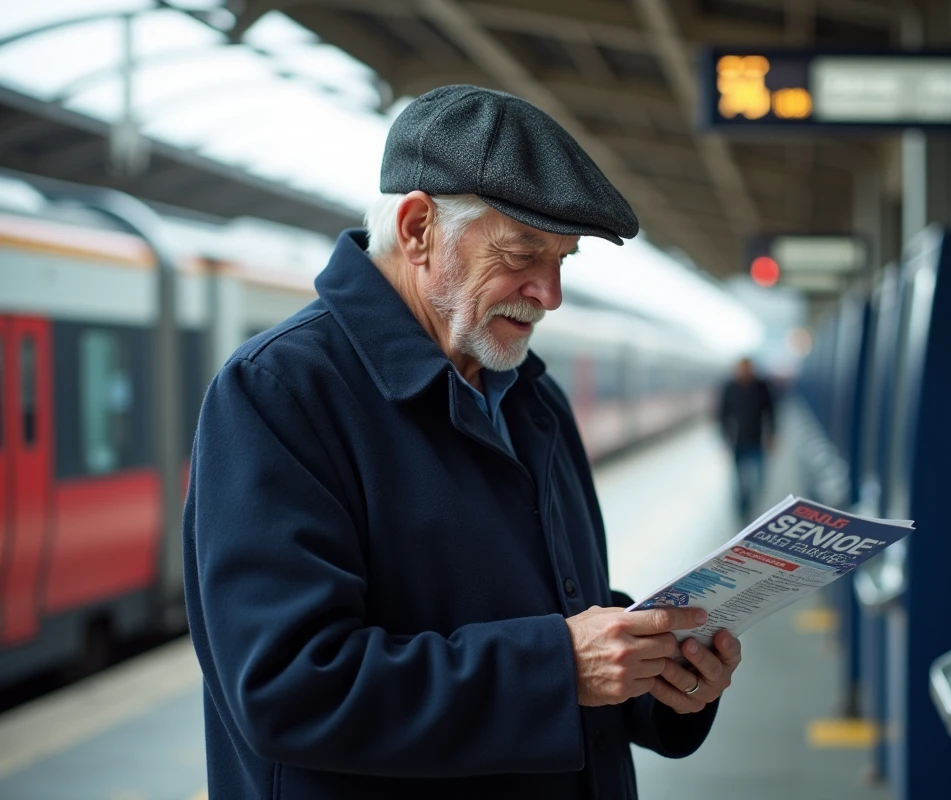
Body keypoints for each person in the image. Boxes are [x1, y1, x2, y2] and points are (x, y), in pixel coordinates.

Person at [182, 85, 743, 799]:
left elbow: (556, 615)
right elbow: (287, 683)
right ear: (418, 228)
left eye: (562, 261)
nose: (549, 292)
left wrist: (660, 671)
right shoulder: (280, 393)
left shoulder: (533, 400)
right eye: (523, 252)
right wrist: (558, 668)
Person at [718, 357, 777, 520]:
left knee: (759, 480)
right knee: (740, 482)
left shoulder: (761, 387)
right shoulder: (729, 388)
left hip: (757, 441)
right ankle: (742, 511)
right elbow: (722, 415)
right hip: (737, 443)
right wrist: (725, 439)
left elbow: (770, 412)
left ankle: (754, 507)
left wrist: (771, 435)